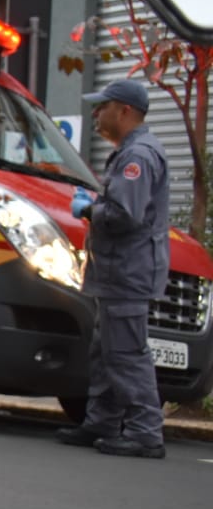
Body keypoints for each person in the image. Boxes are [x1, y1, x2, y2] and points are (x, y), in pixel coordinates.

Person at [56, 78, 170, 459]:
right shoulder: (131, 152)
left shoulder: (138, 156)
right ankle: (102, 422)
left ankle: (144, 431)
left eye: (102, 106)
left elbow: (124, 214)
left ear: (124, 111)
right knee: (106, 350)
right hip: (119, 273)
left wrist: (89, 209)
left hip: (128, 274)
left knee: (126, 352)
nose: (95, 113)